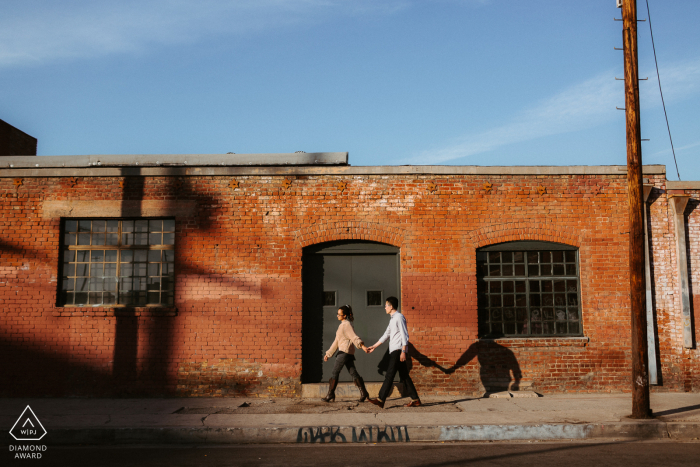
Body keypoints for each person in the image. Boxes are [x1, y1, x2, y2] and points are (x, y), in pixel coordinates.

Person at [366, 296, 422, 408]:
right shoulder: (392, 319)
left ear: (391, 306)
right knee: (404, 376)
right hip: (395, 350)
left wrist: (403, 351)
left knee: (389, 375)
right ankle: (415, 400)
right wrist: (374, 346)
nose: (385, 307)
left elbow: (405, 335)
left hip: (397, 350)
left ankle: (380, 399)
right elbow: (386, 334)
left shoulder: (399, 317)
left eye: (386, 305)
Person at [321, 305, 370, 402]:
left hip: (344, 352)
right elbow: (336, 341)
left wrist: (362, 346)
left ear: (344, 315)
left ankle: (330, 394)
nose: (337, 316)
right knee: (353, 372)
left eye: (339, 314)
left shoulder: (347, 325)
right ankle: (364, 393)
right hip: (347, 352)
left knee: (335, 372)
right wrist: (328, 354)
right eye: (337, 314)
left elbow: (354, 337)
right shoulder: (342, 325)